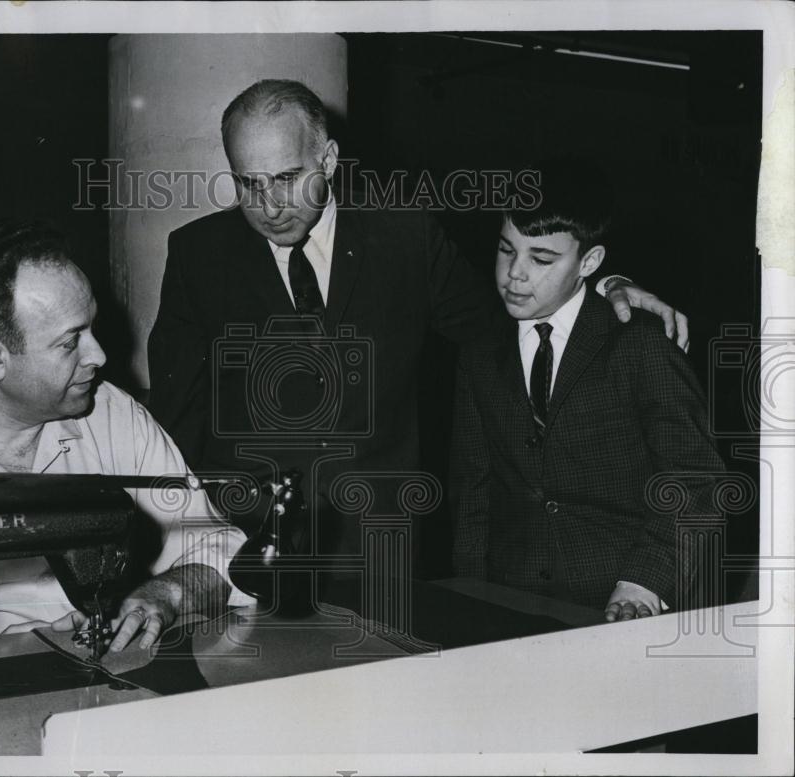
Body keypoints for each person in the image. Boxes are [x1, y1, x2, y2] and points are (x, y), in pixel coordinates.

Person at [148, 79, 688, 565]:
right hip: (242, 545)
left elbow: (505, 323)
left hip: (380, 541)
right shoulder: (199, 254)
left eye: (288, 178)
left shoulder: (404, 234)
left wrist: (603, 286)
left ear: (329, 159)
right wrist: (189, 538)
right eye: (249, 184)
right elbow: (178, 412)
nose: (269, 205)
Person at [0, 219, 251, 647]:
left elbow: (222, 549)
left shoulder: (112, 415)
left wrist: (167, 594)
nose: (99, 354)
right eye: (69, 342)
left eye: (92, 328)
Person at [450, 163, 723, 618]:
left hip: (624, 600)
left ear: (590, 263)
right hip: (511, 599)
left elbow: (696, 480)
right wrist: (470, 597)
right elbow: (474, 497)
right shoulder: (479, 352)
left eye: (541, 260)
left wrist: (642, 584)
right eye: (505, 250)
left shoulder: (639, 342)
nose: (515, 274)